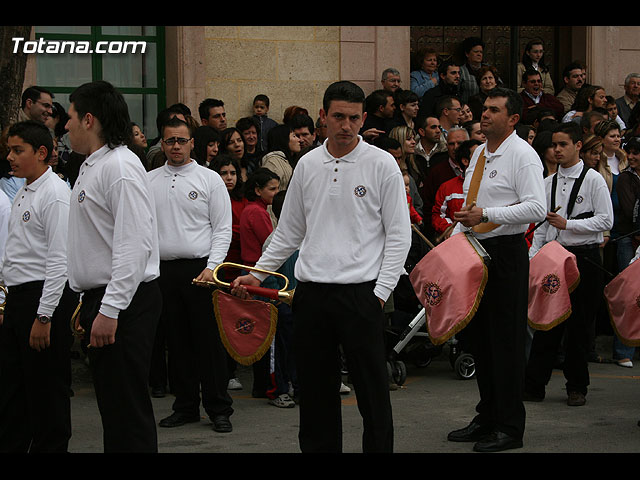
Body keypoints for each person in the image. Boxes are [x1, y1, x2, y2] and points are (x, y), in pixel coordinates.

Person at [231, 80, 411, 453]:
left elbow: (399, 237)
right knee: (315, 393)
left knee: (373, 392)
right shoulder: (308, 164)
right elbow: (289, 231)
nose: (346, 125)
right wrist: (258, 272)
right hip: (310, 294)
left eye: (354, 118)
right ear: (323, 117)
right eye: (339, 117)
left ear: (363, 119)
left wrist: (379, 294)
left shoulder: (382, 165)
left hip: (362, 295)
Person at [65, 80, 162, 453]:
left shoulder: (120, 165)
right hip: (102, 299)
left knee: (127, 410)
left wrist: (109, 308)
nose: (66, 126)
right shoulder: (93, 165)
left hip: (124, 301)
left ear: (89, 119)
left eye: (71, 117)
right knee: (113, 408)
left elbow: (134, 244)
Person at [449, 87, 546, 452]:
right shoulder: (478, 152)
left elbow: (536, 208)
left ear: (513, 119)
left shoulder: (523, 155)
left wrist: (487, 216)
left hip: (505, 252)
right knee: (480, 340)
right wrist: (459, 231)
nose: (484, 115)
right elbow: (474, 201)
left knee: (505, 342)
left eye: (493, 110)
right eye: (483, 109)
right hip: (475, 250)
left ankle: (509, 426)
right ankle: (487, 416)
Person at [148, 116, 234, 433]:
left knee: (208, 343)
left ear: (191, 143)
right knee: (177, 341)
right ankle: (185, 406)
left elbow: (222, 229)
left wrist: (212, 267)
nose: (175, 146)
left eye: (181, 140)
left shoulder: (209, 180)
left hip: (202, 271)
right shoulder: (149, 180)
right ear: (162, 142)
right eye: (169, 140)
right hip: (162, 272)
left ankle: (219, 408)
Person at [525, 121, 613, 407]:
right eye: (554, 145)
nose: (557, 150)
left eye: (563, 144)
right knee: (546, 323)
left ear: (578, 146)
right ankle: (534, 384)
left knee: (579, 327)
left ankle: (577, 387)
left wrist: (569, 224)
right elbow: (540, 225)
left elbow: (605, 220)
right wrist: (534, 257)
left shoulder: (593, 179)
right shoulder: (547, 182)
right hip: (552, 259)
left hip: (584, 258)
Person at [0, 120, 76, 453]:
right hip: (18, 300)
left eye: (18, 150)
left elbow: (59, 260)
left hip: (42, 298)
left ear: (42, 152)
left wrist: (44, 316)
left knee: (46, 390)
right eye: (9, 150)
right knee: (14, 390)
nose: (10, 157)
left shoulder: (55, 194)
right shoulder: (23, 191)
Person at [239, 167, 282, 401]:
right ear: (258, 190)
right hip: (258, 273)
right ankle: (265, 383)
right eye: (271, 189)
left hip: (255, 270)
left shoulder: (254, 210)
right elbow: (272, 245)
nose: (275, 193)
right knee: (266, 332)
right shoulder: (256, 212)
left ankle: (262, 383)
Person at [210, 154, 248, 391]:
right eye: (224, 173)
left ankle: (231, 371)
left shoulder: (243, 201)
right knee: (217, 323)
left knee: (236, 322)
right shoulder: (214, 197)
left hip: (240, 268)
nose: (229, 178)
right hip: (217, 268)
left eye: (233, 173)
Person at [610, 137, 640, 367]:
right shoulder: (624, 179)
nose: (631, 157)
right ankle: (623, 350)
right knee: (630, 294)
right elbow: (630, 210)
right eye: (629, 153)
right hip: (628, 240)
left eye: (636, 153)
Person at [421, 126, 469, 241]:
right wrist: (446, 229)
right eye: (451, 144)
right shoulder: (437, 172)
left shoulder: (482, 172)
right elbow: (431, 210)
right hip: (449, 238)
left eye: (460, 143)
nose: (456, 148)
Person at [431, 138, 481, 238]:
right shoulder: (447, 187)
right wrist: (449, 229)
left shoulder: (495, 184)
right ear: (465, 161)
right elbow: (438, 215)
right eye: (478, 155)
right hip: (459, 242)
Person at [260, 124, 301, 192]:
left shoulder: (289, 160)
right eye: (294, 136)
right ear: (283, 140)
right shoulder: (272, 162)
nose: (299, 140)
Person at [458, 37, 486, 103]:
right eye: (476, 52)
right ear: (467, 54)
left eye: (481, 52)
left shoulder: (489, 69)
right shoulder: (461, 71)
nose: (479, 54)